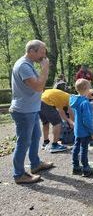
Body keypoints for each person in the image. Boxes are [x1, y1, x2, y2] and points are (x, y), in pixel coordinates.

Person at [10, 39, 53, 184]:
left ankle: (35, 164)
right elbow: (38, 87)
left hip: (32, 108)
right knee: (23, 142)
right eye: (42, 52)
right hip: (24, 111)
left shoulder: (28, 64)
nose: (44, 55)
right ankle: (19, 174)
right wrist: (45, 68)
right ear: (31, 51)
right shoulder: (23, 66)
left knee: (36, 136)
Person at [69, 78, 93, 177]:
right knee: (84, 149)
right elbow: (87, 120)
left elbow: (80, 115)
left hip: (77, 130)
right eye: (89, 88)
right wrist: (92, 132)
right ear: (86, 89)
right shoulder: (85, 103)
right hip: (84, 131)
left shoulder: (76, 100)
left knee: (76, 147)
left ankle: (75, 166)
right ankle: (86, 168)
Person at [40, 89, 74, 153]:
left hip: (39, 101)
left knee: (45, 123)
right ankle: (55, 145)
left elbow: (61, 112)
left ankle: (45, 142)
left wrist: (69, 121)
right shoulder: (71, 99)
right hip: (47, 102)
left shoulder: (63, 97)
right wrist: (72, 122)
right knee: (57, 123)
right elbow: (70, 112)